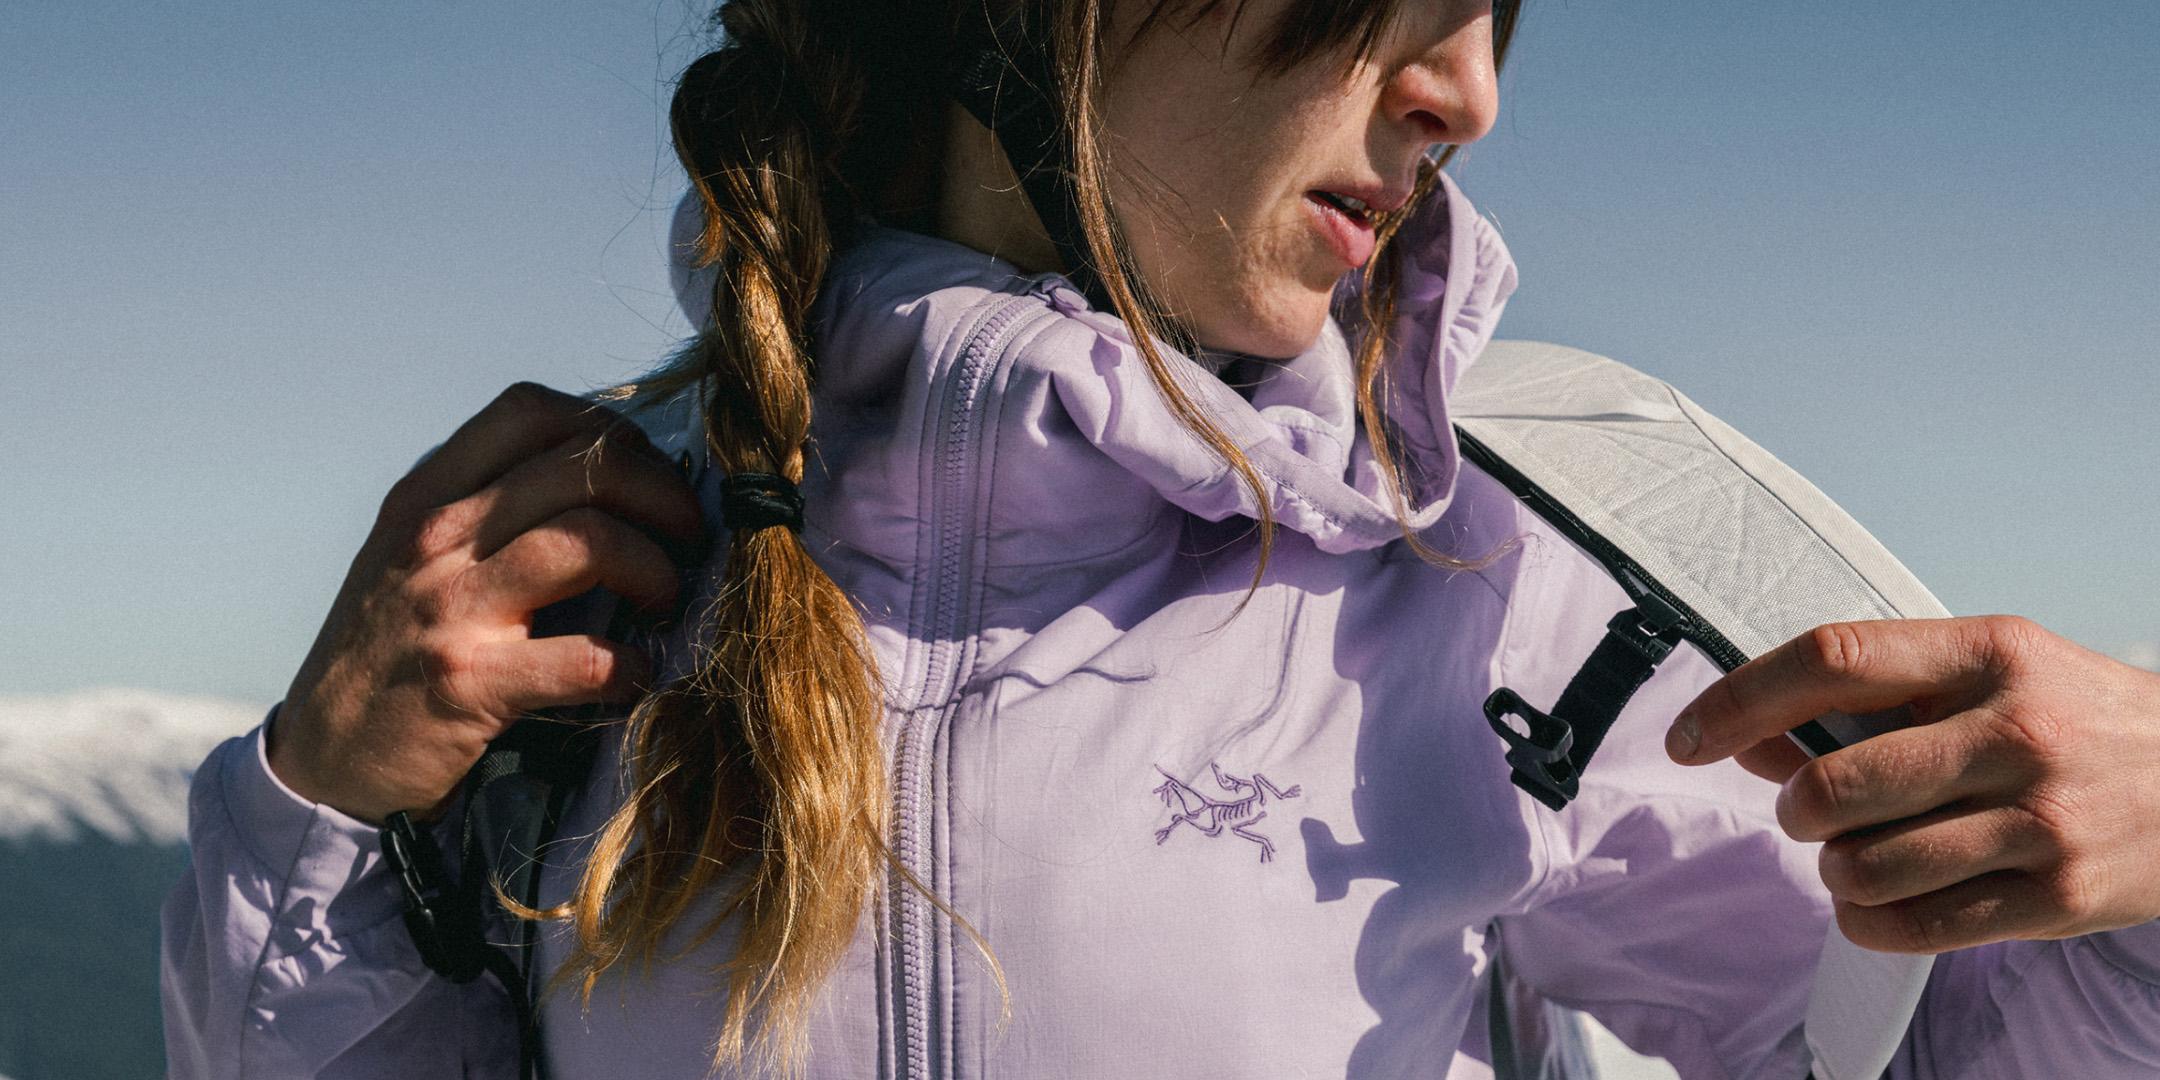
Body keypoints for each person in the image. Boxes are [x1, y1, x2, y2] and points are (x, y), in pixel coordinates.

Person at [161, 1, 2160, 1077]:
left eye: (1501, 10)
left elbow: (1916, 1061)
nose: (1465, 85)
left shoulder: (1495, 560)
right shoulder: (589, 562)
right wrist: (316, 806)